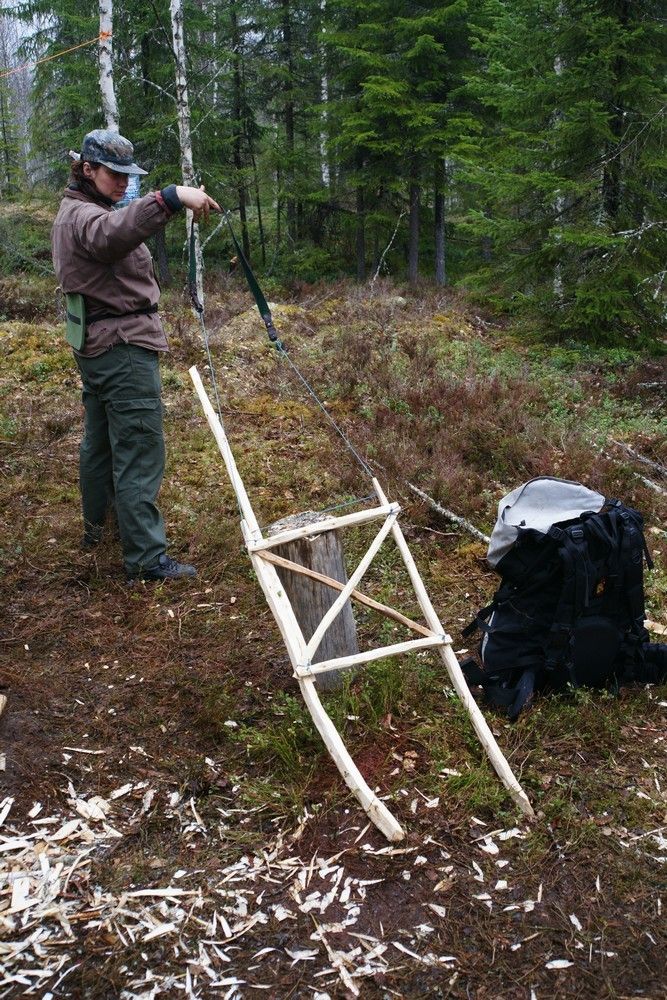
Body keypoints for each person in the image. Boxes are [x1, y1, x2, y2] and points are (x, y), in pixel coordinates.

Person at [51, 128, 220, 580]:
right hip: (121, 347)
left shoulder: (84, 209)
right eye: (113, 174)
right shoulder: (85, 217)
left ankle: (100, 527)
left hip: (101, 344)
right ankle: (145, 559)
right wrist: (169, 197)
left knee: (102, 442)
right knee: (139, 448)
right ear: (87, 170)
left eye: (130, 176)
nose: (123, 183)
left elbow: (119, 227)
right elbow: (112, 235)